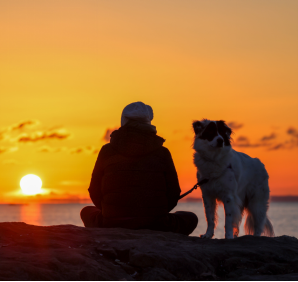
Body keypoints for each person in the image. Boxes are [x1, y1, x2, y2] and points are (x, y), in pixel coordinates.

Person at [81, 102, 198, 235]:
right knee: (191, 218)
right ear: (148, 123)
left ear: (123, 121)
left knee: (86, 212)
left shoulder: (106, 151)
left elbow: (94, 190)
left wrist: (110, 213)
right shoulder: (163, 152)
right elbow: (174, 191)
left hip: (111, 223)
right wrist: (155, 214)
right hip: (156, 224)